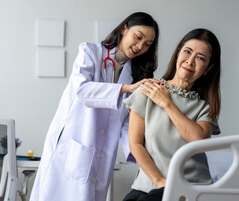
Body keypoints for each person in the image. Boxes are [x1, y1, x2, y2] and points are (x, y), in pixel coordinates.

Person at [30, 12, 161, 201]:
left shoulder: (135, 74)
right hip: (74, 145)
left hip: (103, 153)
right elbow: (82, 90)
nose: (140, 46)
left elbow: (126, 122)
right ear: (124, 28)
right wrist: (125, 88)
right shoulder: (91, 52)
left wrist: (139, 154)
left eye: (147, 44)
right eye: (138, 37)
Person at [122, 28, 221, 201]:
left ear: (208, 69)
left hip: (190, 187)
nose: (190, 61)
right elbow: (135, 144)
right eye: (187, 52)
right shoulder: (148, 90)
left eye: (200, 58)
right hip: (149, 184)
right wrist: (159, 180)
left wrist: (167, 103)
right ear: (177, 54)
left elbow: (198, 140)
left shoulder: (205, 107)